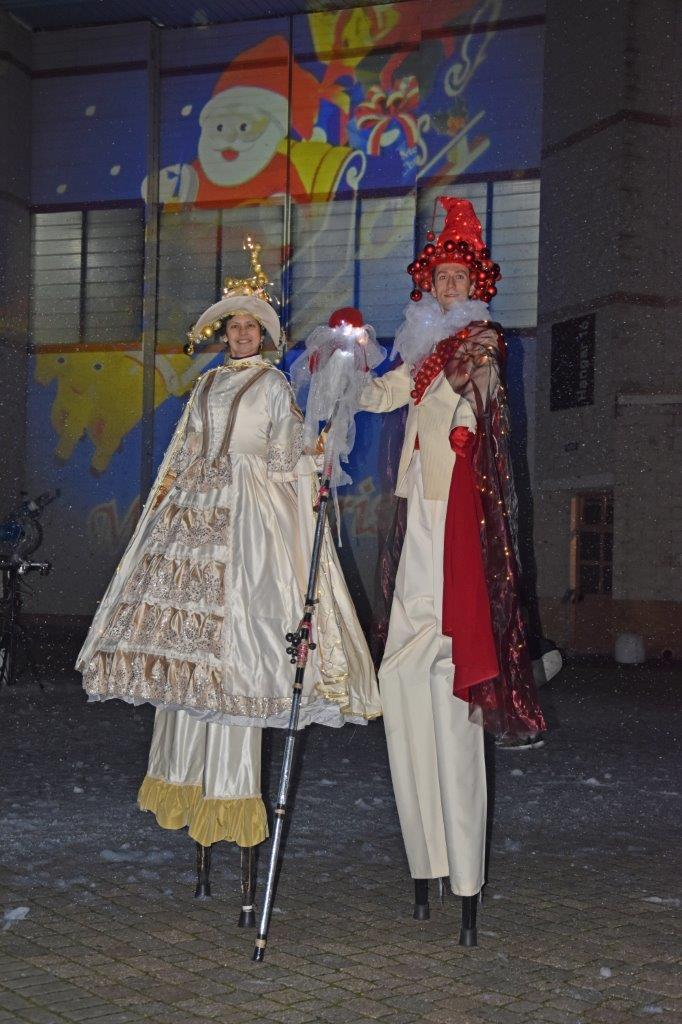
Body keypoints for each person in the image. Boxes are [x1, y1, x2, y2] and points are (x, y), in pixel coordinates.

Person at [76, 240, 381, 918]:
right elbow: (185, 452)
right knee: (188, 655)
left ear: (264, 334)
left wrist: (315, 456)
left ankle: (235, 820)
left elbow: (281, 457)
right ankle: (197, 818)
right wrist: (159, 513)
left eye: (251, 326)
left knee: (237, 645)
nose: (241, 334)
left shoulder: (273, 386)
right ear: (224, 332)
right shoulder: (207, 384)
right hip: (195, 519)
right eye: (233, 325)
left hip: (246, 524)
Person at [358, 196, 545, 945]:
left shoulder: (478, 343)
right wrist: (338, 368)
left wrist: (470, 407)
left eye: (457, 276)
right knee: (406, 669)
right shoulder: (422, 350)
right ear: (425, 284)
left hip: (454, 515)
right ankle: (424, 861)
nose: (446, 286)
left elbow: (485, 393)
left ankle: (460, 872)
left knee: (449, 662)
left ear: (475, 284)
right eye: (438, 276)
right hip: (417, 512)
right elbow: (382, 395)